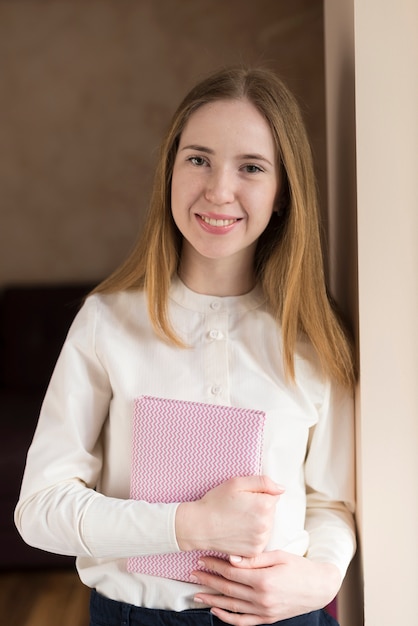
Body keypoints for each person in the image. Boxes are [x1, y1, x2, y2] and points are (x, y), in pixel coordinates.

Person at [15, 66, 356, 626]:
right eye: (198, 159)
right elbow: (39, 510)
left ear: (282, 194)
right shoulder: (105, 322)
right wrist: (190, 525)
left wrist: (321, 576)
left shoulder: (316, 338)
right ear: (170, 173)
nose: (218, 190)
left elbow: (330, 503)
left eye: (251, 167)